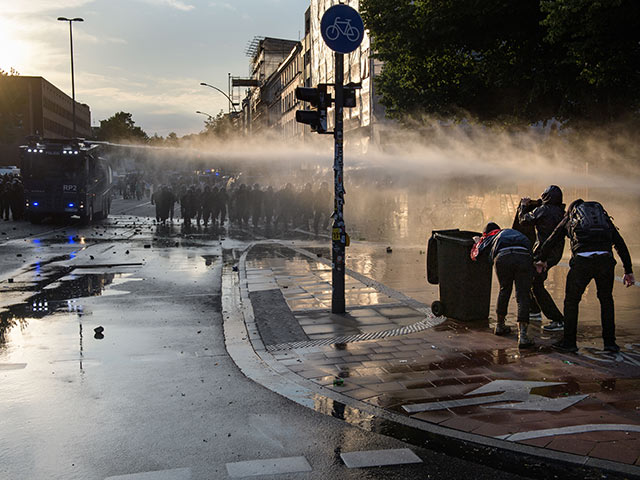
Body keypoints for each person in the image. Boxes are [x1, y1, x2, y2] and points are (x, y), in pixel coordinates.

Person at [536, 199, 635, 353]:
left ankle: (569, 342)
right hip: (605, 260)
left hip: (582, 261)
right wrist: (628, 271)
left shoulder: (571, 216)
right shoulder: (603, 218)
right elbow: (620, 243)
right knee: (606, 300)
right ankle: (610, 343)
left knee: (572, 301)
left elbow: (553, 238)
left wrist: (542, 259)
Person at [471, 222, 535, 348]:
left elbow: (476, 255)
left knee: (504, 290)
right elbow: (531, 251)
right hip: (523, 257)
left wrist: (478, 241)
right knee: (522, 294)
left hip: (503, 258)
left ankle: (500, 325)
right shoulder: (516, 234)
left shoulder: (492, 236)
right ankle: (522, 336)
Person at [517, 185, 566, 331]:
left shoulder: (543, 210)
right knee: (533, 281)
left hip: (542, 254)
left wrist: (523, 206)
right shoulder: (562, 213)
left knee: (535, 284)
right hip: (555, 253)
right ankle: (534, 310)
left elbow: (524, 220)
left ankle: (557, 319)